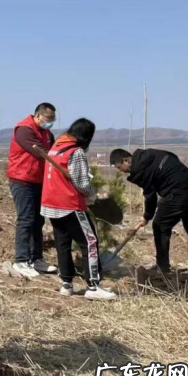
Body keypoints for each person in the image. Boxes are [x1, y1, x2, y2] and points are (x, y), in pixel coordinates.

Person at [111, 148, 188, 277]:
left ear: (126, 160)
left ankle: (162, 268)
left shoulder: (140, 170)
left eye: (120, 167)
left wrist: (147, 217)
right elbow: (173, 156)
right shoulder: (151, 153)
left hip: (178, 193)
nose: (121, 171)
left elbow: (150, 196)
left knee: (160, 226)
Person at [41, 118, 117, 300]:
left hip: (51, 203)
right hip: (69, 204)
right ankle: (93, 286)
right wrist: (92, 196)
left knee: (63, 243)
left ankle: (66, 283)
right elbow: (82, 183)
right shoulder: (76, 152)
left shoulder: (56, 147)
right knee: (89, 242)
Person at [7, 103, 58, 279]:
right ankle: (21, 260)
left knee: (38, 220)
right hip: (22, 180)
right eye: (48, 118)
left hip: (38, 181)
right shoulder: (24, 130)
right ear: (38, 115)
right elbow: (42, 153)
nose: (51, 122)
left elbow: (54, 150)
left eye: (53, 119)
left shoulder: (47, 133)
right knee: (26, 219)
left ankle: (36, 259)